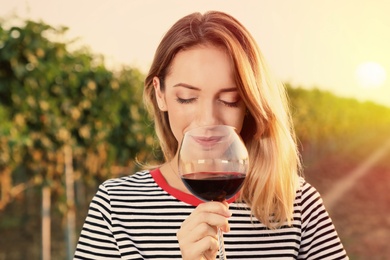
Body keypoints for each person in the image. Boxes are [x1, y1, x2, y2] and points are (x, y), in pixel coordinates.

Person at [74, 11, 348, 259]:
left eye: (229, 100)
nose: (208, 121)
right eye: (187, 98)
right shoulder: (116, 206)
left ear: (249, 105)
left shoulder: (298, 203)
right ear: (160, 94)